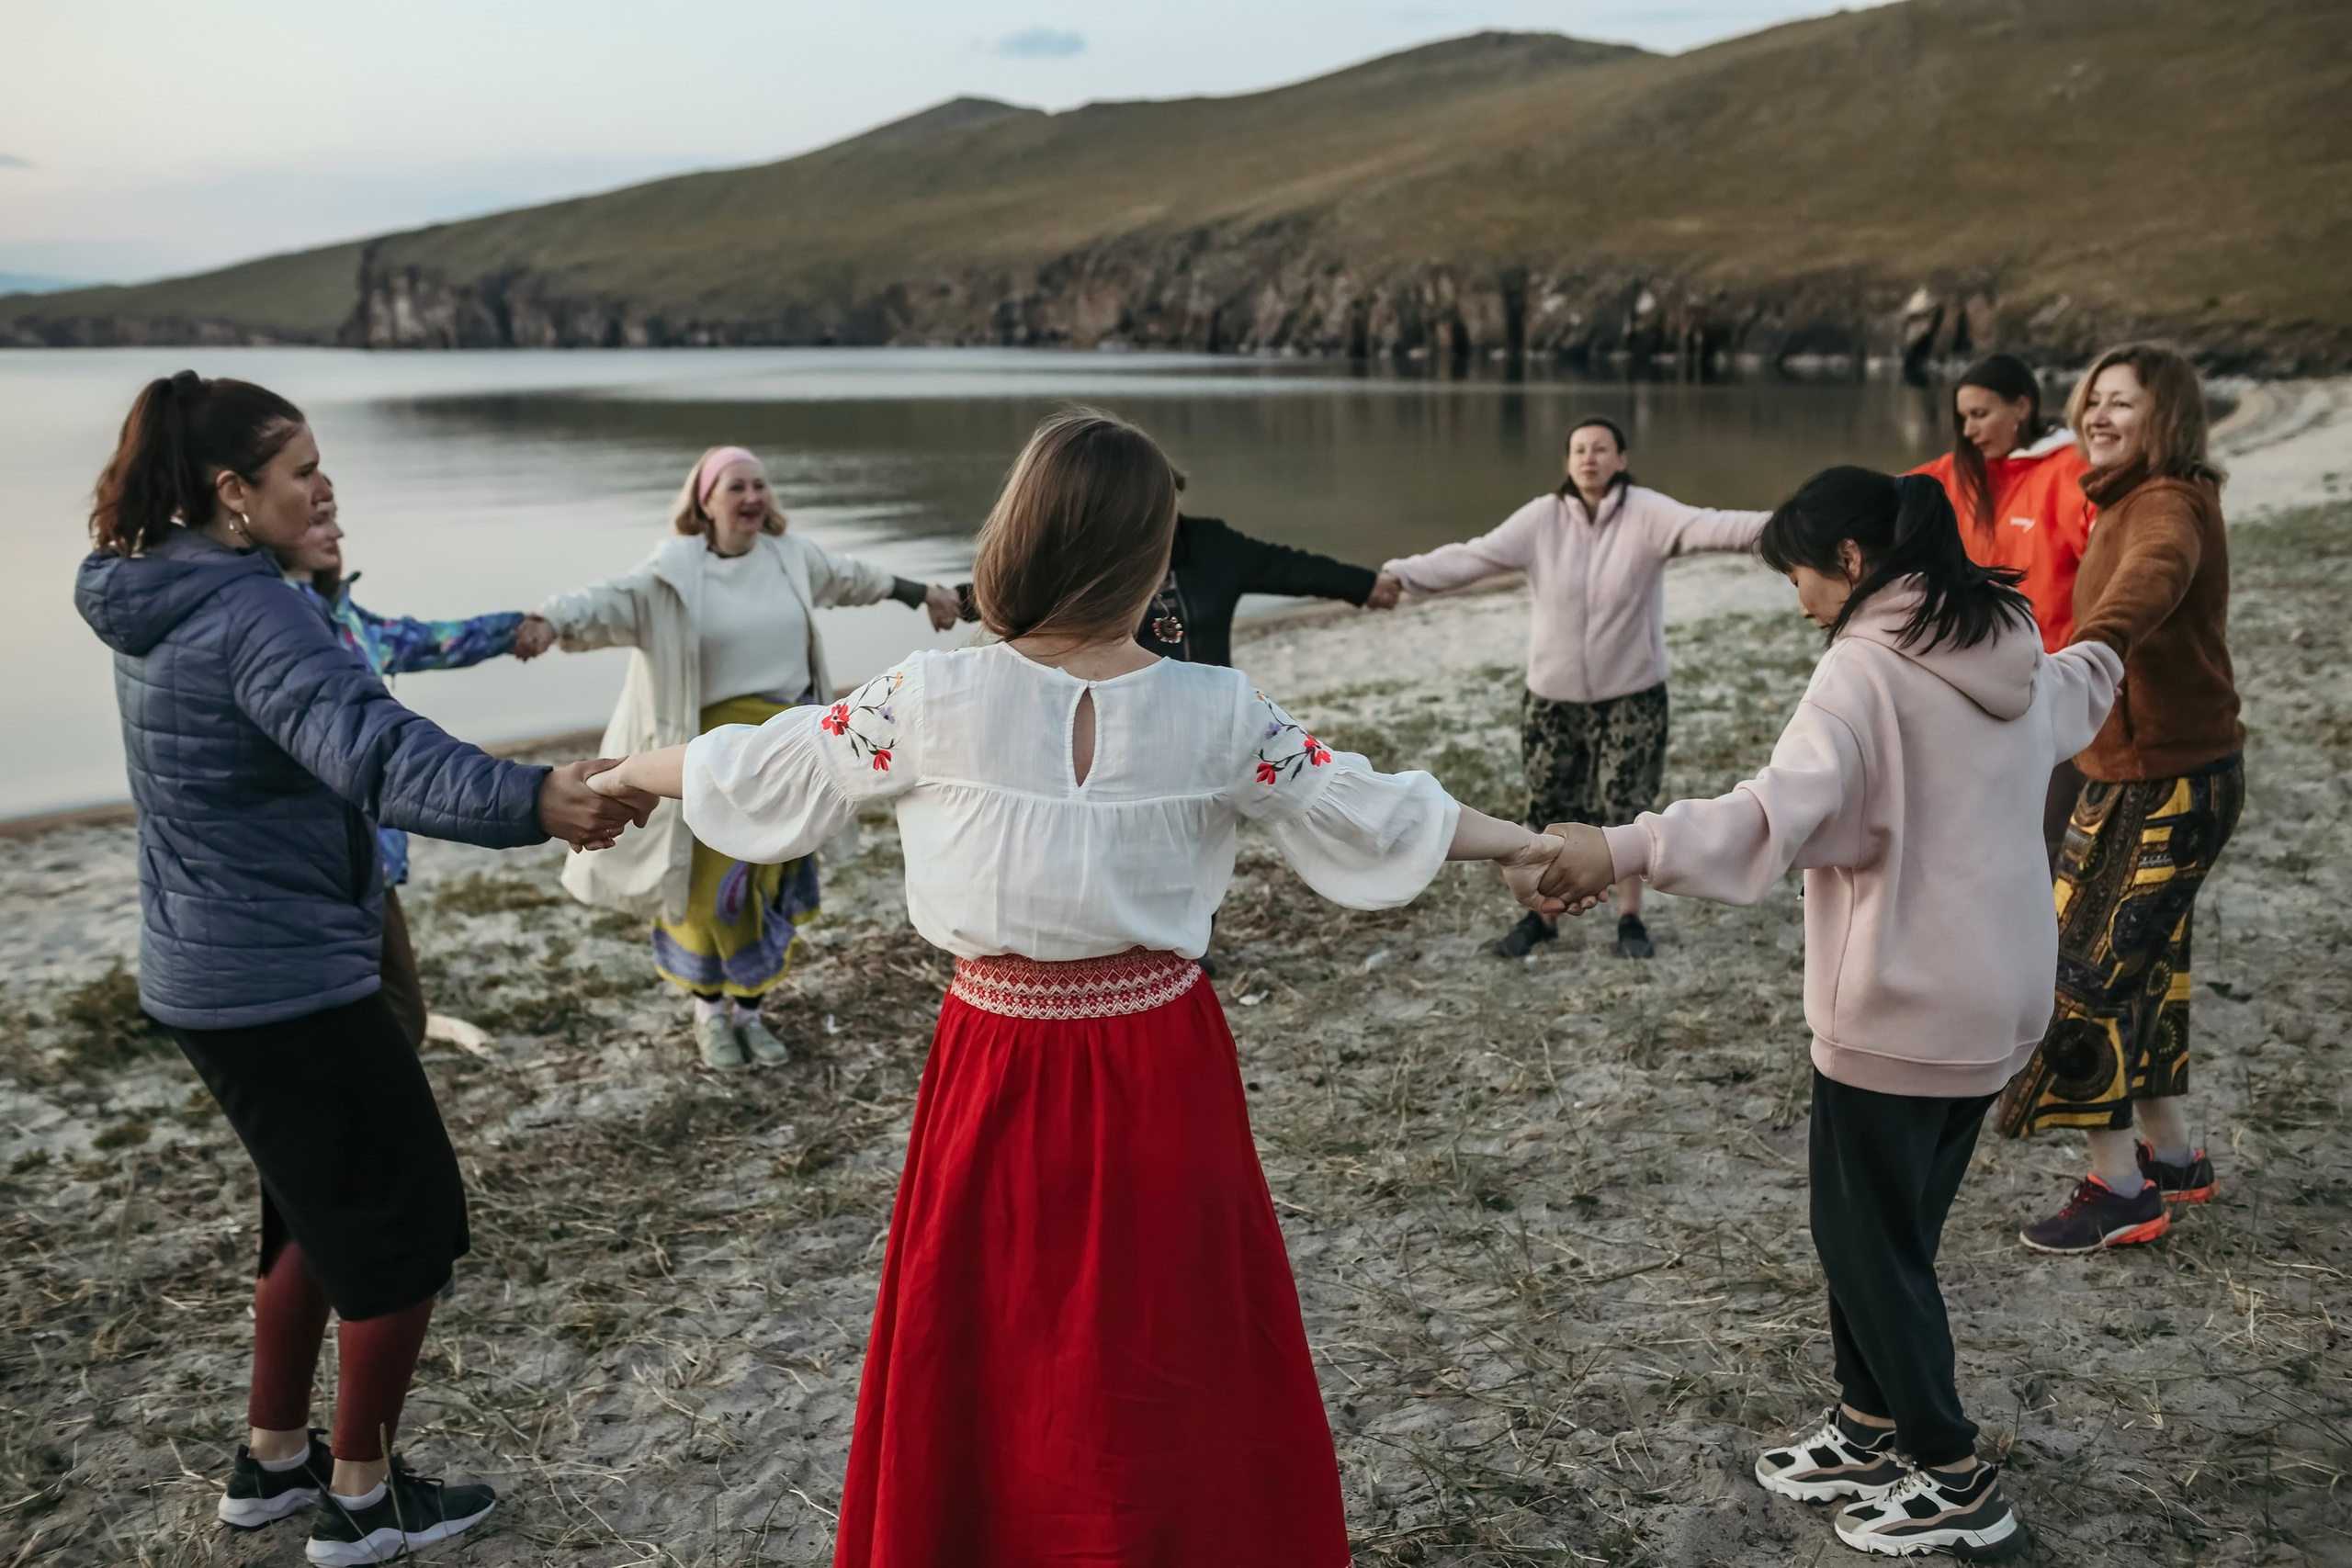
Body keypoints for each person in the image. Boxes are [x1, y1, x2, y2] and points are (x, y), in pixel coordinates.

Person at [583, 409, 1585, 1567]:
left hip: (1001, 1063)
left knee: (1006, 1354)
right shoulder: (1218, 711)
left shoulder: (933, 695)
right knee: (1164, 1352)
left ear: (1018, 536)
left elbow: (759, 761)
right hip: (1155, 1064)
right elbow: (1368, 803)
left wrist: (622, 775)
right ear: (1153, 554)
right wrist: (1523, 843)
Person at [74, 371, 654, 1565]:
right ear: (232, 491)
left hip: (217, 967)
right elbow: (375, 747)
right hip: (283, 980)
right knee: (405, 1231)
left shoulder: (160, 592)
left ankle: (273, 1455)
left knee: (307, 1216)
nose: (324, 485)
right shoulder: (253, 614)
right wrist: (533, 797)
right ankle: (362, 1498)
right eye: (301, 469)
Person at [1538, 467, 2119, 1560]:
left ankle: (1952, 1476)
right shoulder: (2004, 639)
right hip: (1999, 1001)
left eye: (1800, 576)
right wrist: (2120, 635)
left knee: (1863, 1247)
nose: (1800, 600)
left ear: (1852, 563)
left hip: (1898, 1009)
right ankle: (1867, 1425)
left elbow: (1772, 813)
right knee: (1891, 1239)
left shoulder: (1863, 669)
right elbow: (2081, 689)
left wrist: (1618, 847)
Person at [538, 446, 959, 1070]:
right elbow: (605, 604)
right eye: (736, 486)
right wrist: (546, 622)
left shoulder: (792, 558)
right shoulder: (674, 571)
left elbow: (853, 576)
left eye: (760, 484)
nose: (752, 496)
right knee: (712, 893)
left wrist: (922, 592)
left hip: (790, 749)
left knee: (768, 879)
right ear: (704, 502)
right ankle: (710, 1010)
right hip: (706, 757)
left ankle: (751, 1010)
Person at [1997, 344, 2245, 1253]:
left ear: (2166, 417)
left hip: (2161, 779)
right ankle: (2172, 1158)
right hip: (2146, 768)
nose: (2097, 415)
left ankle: (2118, 1188)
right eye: (2091, 400)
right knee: (2144, 968)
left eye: (2122, 403)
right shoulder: (2132, 497)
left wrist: (2093, 649)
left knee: (2080, 969)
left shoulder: (2165, 505)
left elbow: (2157, 576)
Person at [1381, 415, 1771, 961]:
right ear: (1567, 461)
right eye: (1579, 449)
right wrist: (1398, 576)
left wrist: (1798, 531)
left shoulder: (1649, 514)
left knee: (1627, 806)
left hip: (1633, 696)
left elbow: (1719, 527)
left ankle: (1630, 920)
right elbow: (1473, 556)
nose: (1588, 457)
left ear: (1622, 459)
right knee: (1549, 806)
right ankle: (1542, 919)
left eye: (1601, 448)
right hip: (1552, 701)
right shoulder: (1541, 519)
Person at [271, 490, 559, 1051]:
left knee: (391, 1010)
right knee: (380, 1017)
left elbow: (430, 641)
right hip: (312, 859)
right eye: (319, 522)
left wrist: (519, 628)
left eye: (335, 520)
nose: (335, 535)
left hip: (367, 858)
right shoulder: (277, 627)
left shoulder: (347, 619)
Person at [1909, 353, 2098, 868]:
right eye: (1962, 418)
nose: (1968, 431)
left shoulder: (2072, 472)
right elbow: (1874, 504)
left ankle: (2047, 942)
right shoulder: (1955, 477)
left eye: (1981, 415)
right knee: (1976, 835)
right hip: (1971, 688)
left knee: (2042, 839)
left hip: (2052, 686)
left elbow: (2114, 561)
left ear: (2022, 407)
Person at [955, 507, 1403, 666]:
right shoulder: (1096, 550)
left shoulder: (1213, 546)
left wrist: (1365, 586)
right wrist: (949, 600)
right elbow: (1031, 583)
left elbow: (1291, 566)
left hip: (1208, 715)